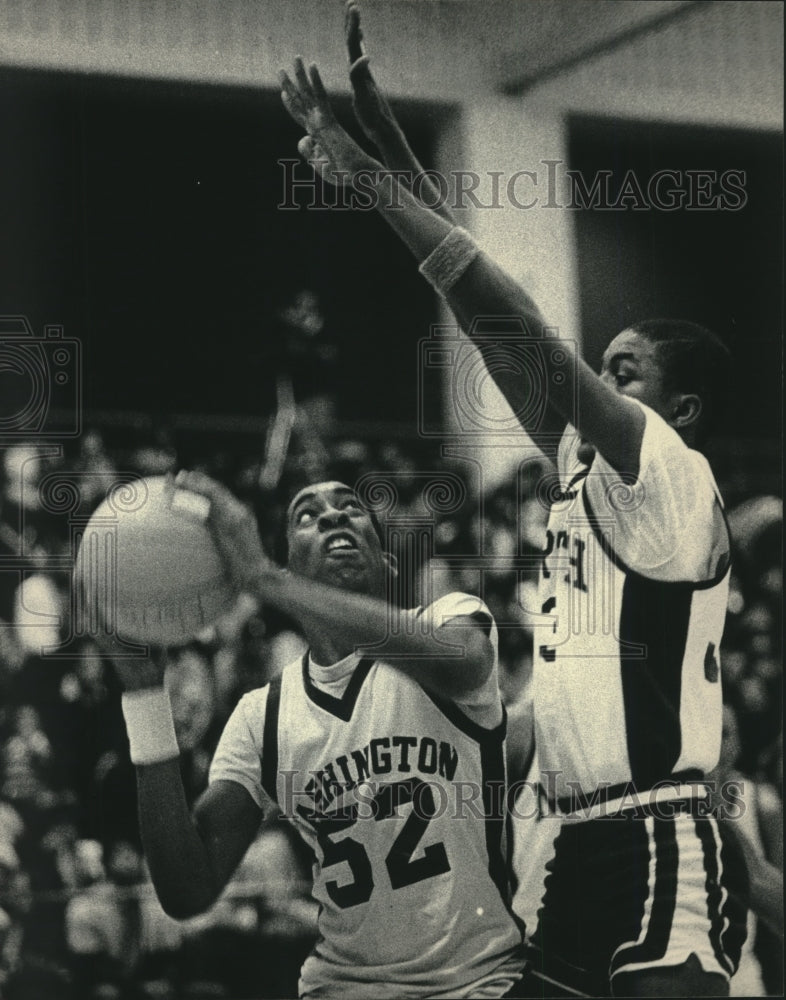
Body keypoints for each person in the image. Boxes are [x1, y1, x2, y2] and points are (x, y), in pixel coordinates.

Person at [278, 6, 749, 995]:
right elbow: (483, 318)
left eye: (629, 371)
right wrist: (389, 149)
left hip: (663, 831)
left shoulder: (670, 469)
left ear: (683, 407)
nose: (603, 382)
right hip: (578, 841)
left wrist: (369, 175)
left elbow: (521, 322)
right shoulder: (594, 471)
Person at [104, 473, 525, 999]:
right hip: (343, 986)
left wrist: (265, 579)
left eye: (351, 507)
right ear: (291, 562)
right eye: (307, 514)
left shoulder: (450, 618)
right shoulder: (263, 717)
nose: (332, 515)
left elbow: (462, 666)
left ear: (387, 562)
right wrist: (145, 696)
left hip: (479, 981)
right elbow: (187, 891)